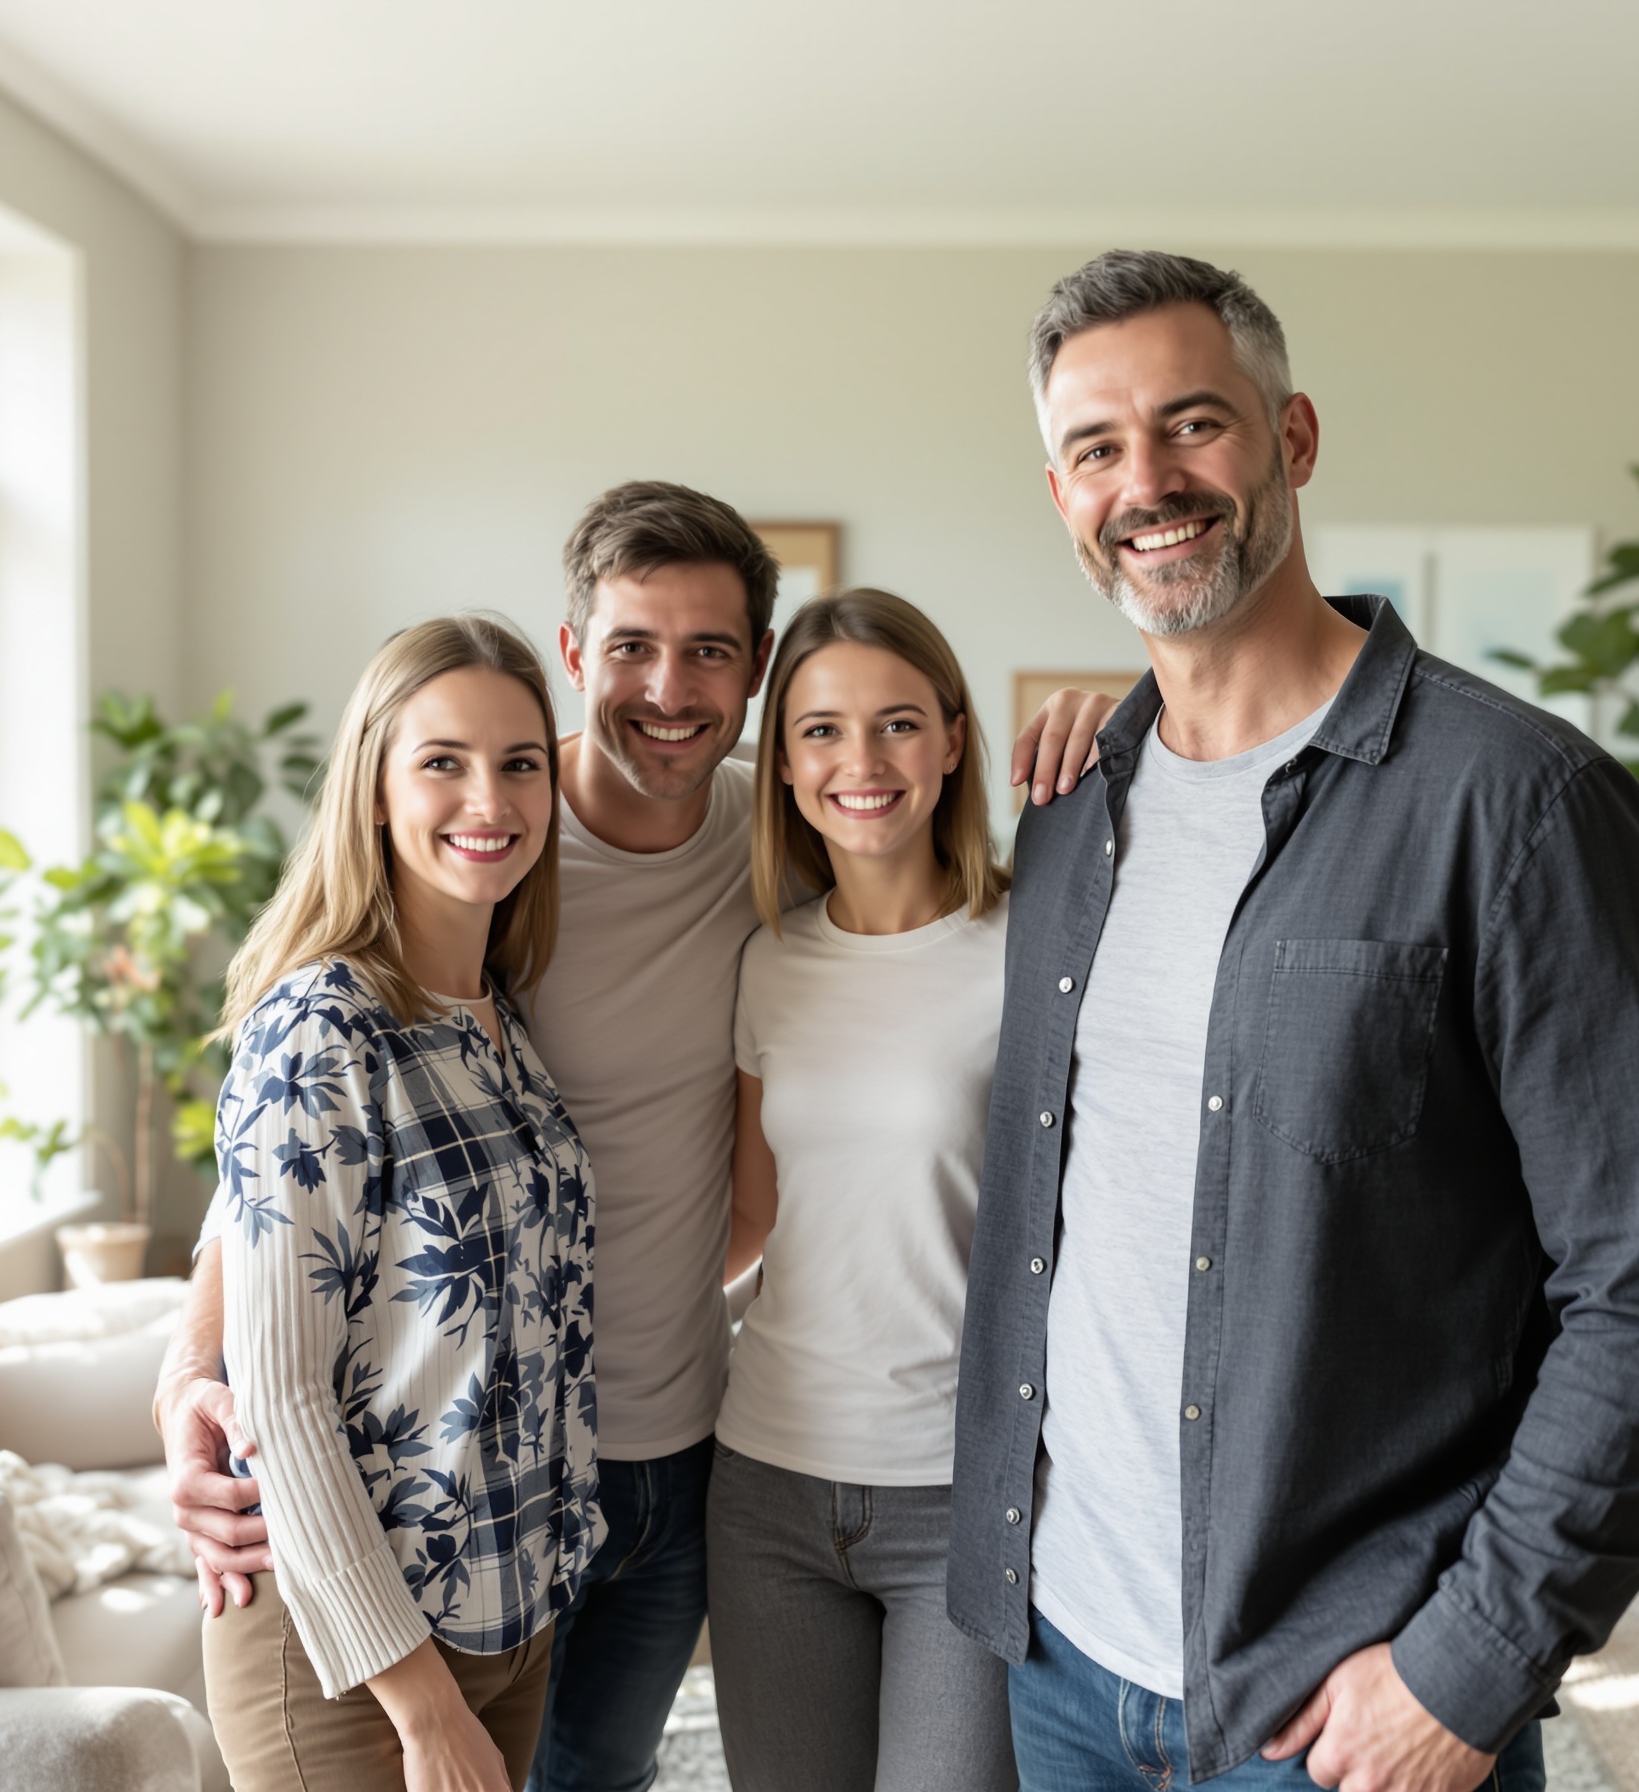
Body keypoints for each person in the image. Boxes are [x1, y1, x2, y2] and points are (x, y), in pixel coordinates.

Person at [159, 481, 1120, 1792]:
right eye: (632, 647)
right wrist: (192, 1371)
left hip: (687, 1453)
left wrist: (1115, 733)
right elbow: (287, 1168)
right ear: (575, 653)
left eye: (709, 650)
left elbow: (811, 1116)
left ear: (756, 671)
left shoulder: (787, 845)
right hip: (470, 1468)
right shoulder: (485, 856)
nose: (669, 689)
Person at [948, 249, 1639, 1792]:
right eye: (1098, 449)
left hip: (1344, 1704)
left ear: (1292, 439)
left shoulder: (1520, 806)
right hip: (1062, 1663)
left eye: (1194, 424)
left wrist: (1469, 1670)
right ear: (1060, 496)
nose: (1148, 483)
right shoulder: (1070, 808)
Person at [201, 613, 598, 1792]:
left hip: (508, 1613)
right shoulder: (320, 1029)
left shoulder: (499, 1017)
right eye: (442, 761)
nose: (490, 797)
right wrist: (421, 1705)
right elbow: (282, 1396)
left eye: (520, 762)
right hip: (351, 1654)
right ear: (374, 788)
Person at [707, 590, 1019, 1792]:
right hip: (769, 1483)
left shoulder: (1031, 948)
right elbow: (751, 1217)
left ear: (951, 741)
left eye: (897, 724)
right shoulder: (769, 960)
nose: (862, 761)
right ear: (782, 765)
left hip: (964, 1494)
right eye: (822, 730)